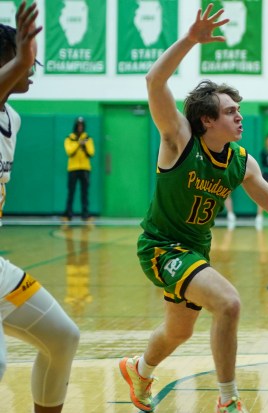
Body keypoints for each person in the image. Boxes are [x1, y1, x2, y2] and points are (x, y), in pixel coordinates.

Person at [117, 6, 268, 413]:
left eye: (238, 110)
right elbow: (154, 80)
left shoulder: (241, 161)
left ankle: (138, 368)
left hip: (195, 251)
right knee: (228, 302)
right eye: (231, 112)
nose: (240, 116)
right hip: (162, 247)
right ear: (207, 120)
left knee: (178, 332)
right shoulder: (179, 139)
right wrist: (191, 39)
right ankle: (228, 400)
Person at [0, 3, 80, 412]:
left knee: (62, 337)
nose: (32, 68)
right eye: (21, 58)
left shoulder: (13, 118)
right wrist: (21, 58)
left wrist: (22, 57)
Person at [62, 116, 95, 221]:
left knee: (85, 192)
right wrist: (78, 144)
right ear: (75, 126)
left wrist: (84, 146)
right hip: (73, 168)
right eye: (78, 125)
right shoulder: (69, 138)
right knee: (71, 191)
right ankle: (68, 214)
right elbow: (69, 151)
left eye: (82, 125)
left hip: (85, 168)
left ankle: (85, 214)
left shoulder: (88, 138)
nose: (80, 127)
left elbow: (91, 152)